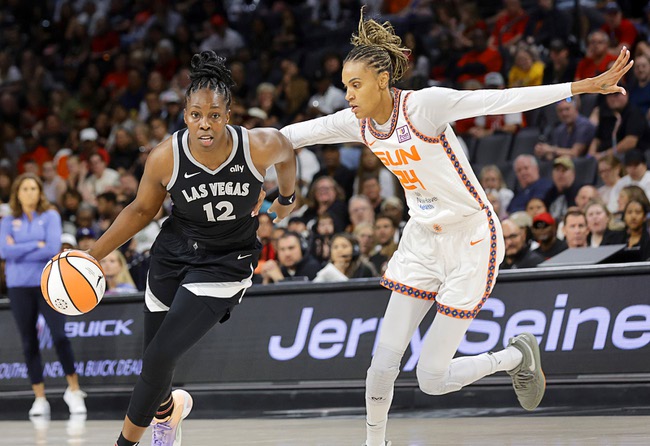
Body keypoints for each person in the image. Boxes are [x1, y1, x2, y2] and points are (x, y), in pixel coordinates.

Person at [281, 10, 631, 445]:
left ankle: (513, 357)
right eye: (346, 86)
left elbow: (502, 100)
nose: (347, 95)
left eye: (356, 85)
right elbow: (291, 135)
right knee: (381, 366)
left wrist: (580, 86)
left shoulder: (425, 107)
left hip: (471, 236)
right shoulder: (358, 123)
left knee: (431, 378)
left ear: (383, 80)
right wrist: (234, 148)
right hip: (422, 239)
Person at [84, 51, 297, 446]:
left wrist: (286, 196)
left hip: (225, 261)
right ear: (185, 115)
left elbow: (288, 153)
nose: (205, 124)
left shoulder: (258, 145)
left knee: (158, 358)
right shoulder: (166, 155)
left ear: (228, 116)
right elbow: (142, 209)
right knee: (154, 360)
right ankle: (168, 414)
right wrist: (92, 255)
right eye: (196, 114)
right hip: (173, 252)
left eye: (214, 115)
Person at [0, 173, 87, 417]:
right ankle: (39, 397)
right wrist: (34, 245)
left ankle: (74, 390)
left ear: (40, 192)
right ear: (17, 193)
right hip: (18, 286)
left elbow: (50, 248)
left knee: (60, 336)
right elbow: (4, 250)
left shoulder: (50, 216)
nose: (29, 193)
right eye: (24, 188)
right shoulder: (7, 220)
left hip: (48, 285)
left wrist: (22, 248)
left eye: (33, 188)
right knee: (29, 342)